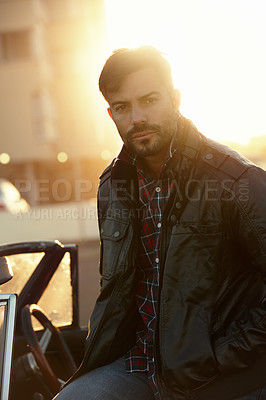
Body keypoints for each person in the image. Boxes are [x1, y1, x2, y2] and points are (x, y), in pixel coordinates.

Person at [54, 46, 266, 400]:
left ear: (175, 99)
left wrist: (224, 355)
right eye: (122, 107)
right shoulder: (114, 185)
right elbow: (118, 291)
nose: (137, 117)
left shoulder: (235, 180)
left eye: (149, 100)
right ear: (111, 114)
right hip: (138, 364)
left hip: (221, 373)